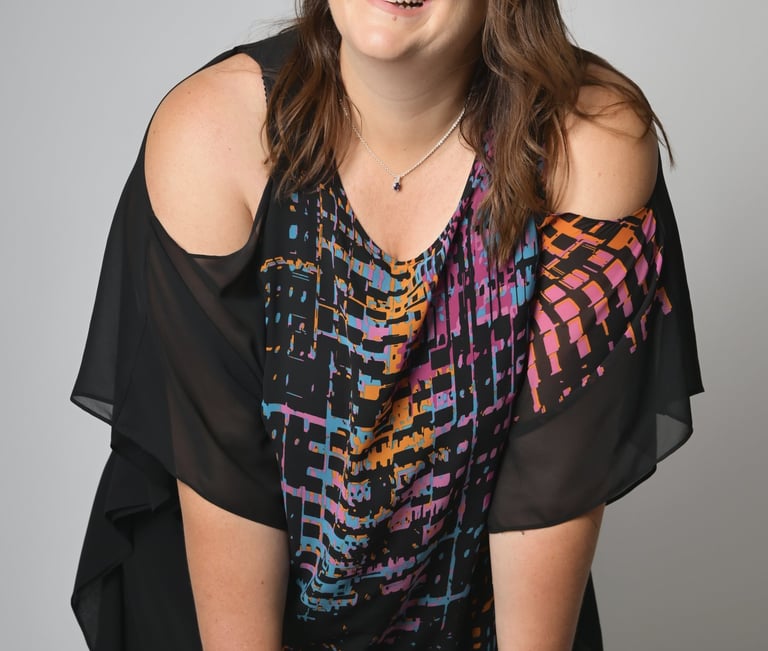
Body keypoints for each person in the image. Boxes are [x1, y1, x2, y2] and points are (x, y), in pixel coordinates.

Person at [70, 1, 703, 649]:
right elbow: (230, 500)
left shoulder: (586, 140)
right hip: (219, 614)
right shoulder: (216, 135)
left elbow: (543, 503)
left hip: (470, 619)